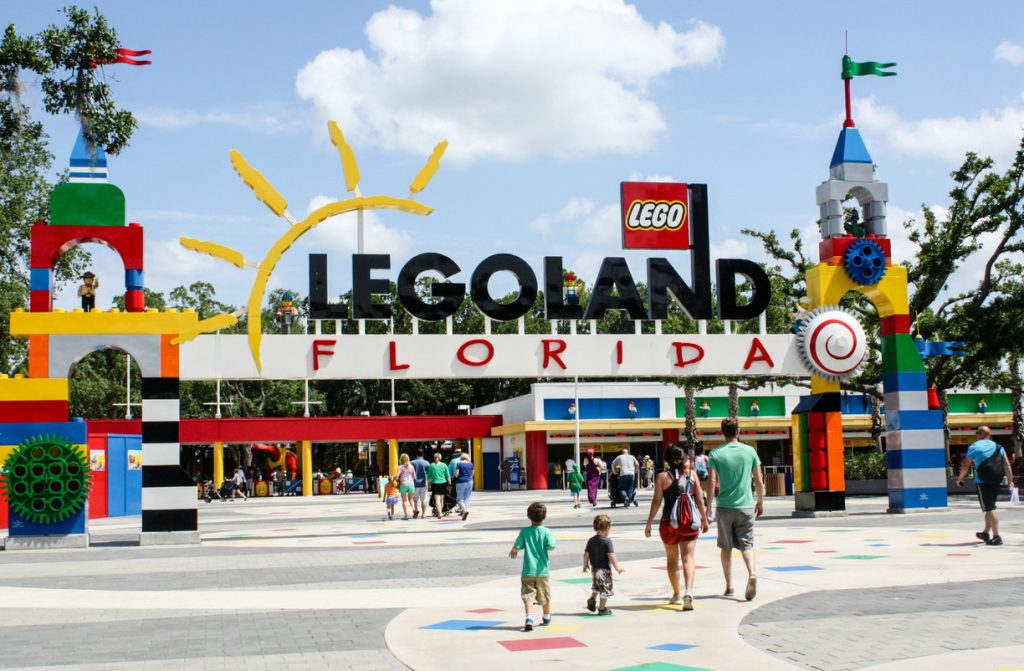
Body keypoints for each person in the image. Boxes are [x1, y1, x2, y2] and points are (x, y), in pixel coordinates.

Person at [645, 445, 709, 611]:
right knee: (688, 558)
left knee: (672, 560)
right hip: (688, 523)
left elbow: (656, 502)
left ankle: (676, 594)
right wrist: (704, 519)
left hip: (669, 524)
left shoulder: (662, 477)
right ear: (682, 459)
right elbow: (700, 500)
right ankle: (689, 591)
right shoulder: (692, 475)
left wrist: (649, 522)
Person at [708, 417, 764, 601]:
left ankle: (729, 586)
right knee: (747, 544)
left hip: (724, 506)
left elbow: (712, 481)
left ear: (722, 432)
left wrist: (708, 506)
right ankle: (752, 573)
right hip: (746, 505)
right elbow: (758, 480)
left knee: (726, 548)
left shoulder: (715, 454)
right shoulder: (750, 451)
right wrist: (760, 501)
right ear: (738, 431)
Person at [957, 426, 1014, 546]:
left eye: (977, 433)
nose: (976, 435)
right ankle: (985, 533)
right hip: (996, 480)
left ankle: (997, 537)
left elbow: (966, 465)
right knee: (990, 506)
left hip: (982, 481)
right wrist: (1010, 481)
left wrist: (960, 478)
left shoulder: (974, 446)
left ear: (980, 434)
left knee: (990, 508)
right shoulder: (999, 446)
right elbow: (1007, 464)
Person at [509, 502, 556, 631]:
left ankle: (529, 617)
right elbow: (551, 546)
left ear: (528, 516)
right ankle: (546, 616)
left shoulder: (525, 532)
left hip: (528, 570)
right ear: (544, 516)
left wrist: (514, 549)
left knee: (528, 595)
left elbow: (517, 546)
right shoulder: (546, 532)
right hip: (542, 571)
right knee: (545, 595)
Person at [583, 514, 624, 615]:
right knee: (605, 589)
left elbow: (586, 553)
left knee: (596, 585)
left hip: (594, 569)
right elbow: (611, 555)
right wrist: (617, 567)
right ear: (607, 528)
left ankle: (592, 599)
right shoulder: (607, 541)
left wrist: (585, 565)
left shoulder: (591, 540)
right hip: (604, 570)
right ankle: (602, 609)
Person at [428, 452, 451, 518]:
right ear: (440, 458)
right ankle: (441, 512)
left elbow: (429, 476)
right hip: (443, 483)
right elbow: (447, 475)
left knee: (437, 499)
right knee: (441, 499)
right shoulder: (444, 465)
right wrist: (449, 483)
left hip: (435, 483)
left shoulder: (432, 465)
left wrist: (429, 484)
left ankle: (439, 513)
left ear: (434, 458)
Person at [454, 453, 474, 520]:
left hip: (460, 482)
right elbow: (472, 474)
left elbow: (456, 474)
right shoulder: (471, 464)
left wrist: (455, 476)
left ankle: (465, 510)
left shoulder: (459, 464)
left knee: (459, 499)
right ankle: (465, 512)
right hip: (470, 481)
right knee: (466, 498)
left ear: (461, 458)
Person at [411, 449, 431, 519]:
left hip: (414, 483)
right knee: (424, 499)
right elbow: (429, 474)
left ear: (416, 454)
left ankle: (416, 510)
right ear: (423, 454)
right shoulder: (427, 463)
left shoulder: (412, 463)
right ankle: (424, 514)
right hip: (424, 483)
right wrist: (429, 483)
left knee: (415, 499)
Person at [396, 453, 416, 520]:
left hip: (404, 484)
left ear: (401, 459)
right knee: (411, 500)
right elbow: (414, 477)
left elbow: (397, 476)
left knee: (404, 501)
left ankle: (406, 516)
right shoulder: (411, 466)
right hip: (411, 484)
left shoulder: (400, 467)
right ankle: (414, 510)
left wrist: (397, 479)